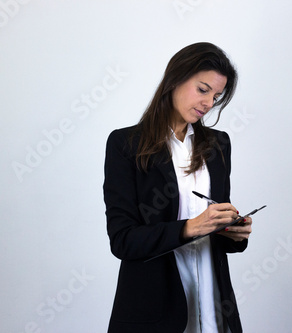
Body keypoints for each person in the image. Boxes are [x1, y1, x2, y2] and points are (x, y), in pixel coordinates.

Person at [103, 42, 252, 333]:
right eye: (203, 89)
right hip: (154, 308)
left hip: (213, 302)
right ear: (175, 80)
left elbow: (216, 220)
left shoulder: (218, 145)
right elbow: (123, 240)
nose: (209, 103)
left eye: (217, 96)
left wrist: (234, 231)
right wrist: (190, 227)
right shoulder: (126, 145)